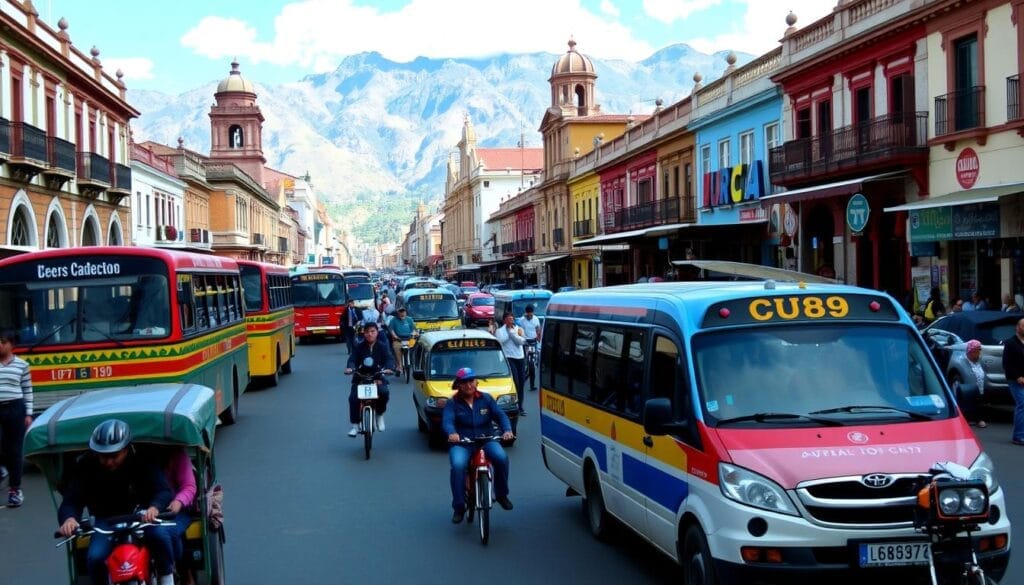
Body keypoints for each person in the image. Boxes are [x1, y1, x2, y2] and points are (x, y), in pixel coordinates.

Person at [57, 420, 176, 585]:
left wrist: (154, 508)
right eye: (102, 456)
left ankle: (166, 577)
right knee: (95, 557)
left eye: (113, 456)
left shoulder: (143, 461)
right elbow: (71, 500)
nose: (108, 461)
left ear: (126, 449)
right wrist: (69, 519)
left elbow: (163, 491)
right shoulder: (85, 466)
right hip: (105, 521)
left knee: (159, 537)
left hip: (141, 517)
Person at [442, 367, 515, 523]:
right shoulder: (452, 403)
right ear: (458, 385)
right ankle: (459, 507)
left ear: (476, 382)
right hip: (463, 442)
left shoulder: (486, 399)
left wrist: (507, 430)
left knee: (501, 458)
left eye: (471, 381)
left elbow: (500, 415)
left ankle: (502, 494)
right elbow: (447, 421)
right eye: (464, 382)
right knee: (458, 465)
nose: (469, 385)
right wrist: (452, 433)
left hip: (487, 439)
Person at [344, 322, 395, 437]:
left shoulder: (382, 346)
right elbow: (352, 359)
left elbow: (389, 359)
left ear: (377, 332)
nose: (370, 334)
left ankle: (379, 415)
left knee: (384, 392)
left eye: (372, 331)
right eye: (367, 332)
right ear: (364, 333)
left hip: (377, 376)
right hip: (360, 378)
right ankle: (355, 426)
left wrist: (389, 368)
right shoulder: (358, 347)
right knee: (353, 398)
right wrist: (350, 368)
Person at [0, 329, 32, 508]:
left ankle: (15, 490)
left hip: (15, 408)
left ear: (12, 345)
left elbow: (27, 389)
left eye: (3, 341)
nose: (0, 345)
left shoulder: (22, 365)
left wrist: (28, 413)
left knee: (15, 450)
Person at [160, 447, 197, 585]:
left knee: (173, 531)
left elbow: (189, 486)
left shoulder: (176, 454)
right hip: (148, 511)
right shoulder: (138, 456)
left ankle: (185, 573)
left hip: (177, 510)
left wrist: (178, 501)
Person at [494, 311, 527, 416]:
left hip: (520, 357)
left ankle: (521, 407)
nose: (511, 320)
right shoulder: (500, 331)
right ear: (504, 320)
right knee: (516, 382)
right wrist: (509, 333)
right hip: (509, 357)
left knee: (521, 383)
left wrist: (513, 333)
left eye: (512, 319)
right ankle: (514, 404)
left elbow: (522, 341)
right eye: (508, 319)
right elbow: (500, 341)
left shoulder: (519, 329)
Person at [1001, 317, 1024, 445]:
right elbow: (1007, 364)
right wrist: (1017, 377)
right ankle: (1018, 436)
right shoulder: (1011, 343)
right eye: (1023, 326)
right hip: (1015, 380)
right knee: (1022, 404)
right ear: (1017, 327)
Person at [960, 339, 987, 429]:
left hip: (980, 386)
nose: (980, 352)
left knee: (980, 401)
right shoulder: (963, 361)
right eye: (978, 350)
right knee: (969, 402)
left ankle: (979, 419)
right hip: (968, 388)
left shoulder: (980, 361)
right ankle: (968, 419)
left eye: (980, 349)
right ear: (972, 351)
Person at [516, 304, 542, 391]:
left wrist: (539, 338)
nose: (530, 316)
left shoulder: (536, 319)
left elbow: (538, 330)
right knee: (526, 364)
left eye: (531, 314)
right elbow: (519, 331)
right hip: (525, 343)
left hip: (533, 343)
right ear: (526, 313)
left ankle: (532, 384)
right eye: (528, 314)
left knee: (532, 365)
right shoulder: (522, 320)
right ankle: (521, 382)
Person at [388, 307, 417, 376]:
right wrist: (395, 336)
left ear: (405, 312)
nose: (402, 313)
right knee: (396, 348)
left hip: (409, 338)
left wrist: (413, 334)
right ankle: (399, 367)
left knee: (414, 348)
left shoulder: (409, 319)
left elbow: (414, 329)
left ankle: (414, 363)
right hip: (398, 339)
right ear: (398, 313)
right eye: (400, 312)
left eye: (403, 312)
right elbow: (391, 330)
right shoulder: (393, 320)